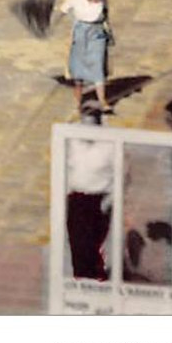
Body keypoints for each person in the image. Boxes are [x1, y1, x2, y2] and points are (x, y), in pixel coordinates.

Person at [65, 105, 114, 281]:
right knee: (78, 244)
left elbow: (122, 175)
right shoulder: (73, 139)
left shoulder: (110, 144)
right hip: (77, 197)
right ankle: (81, 279)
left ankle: (97, 279)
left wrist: (109, 200)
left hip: (99, 200)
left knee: (95, 244)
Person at [61, 0, 112, 115]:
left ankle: (103, 101)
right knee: (78, 69)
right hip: (81, 31)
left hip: (97, 31)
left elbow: (105, 12)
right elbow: (63, 10)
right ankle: (77, 103)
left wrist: (108, 32)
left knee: (98, 63)